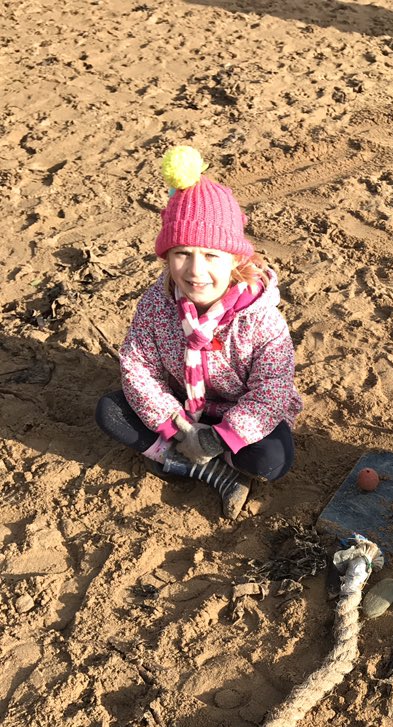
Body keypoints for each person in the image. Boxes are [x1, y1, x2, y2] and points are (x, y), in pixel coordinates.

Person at [96, 146, 302, 519]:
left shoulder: (261, 318)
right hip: (179, 409)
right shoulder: (156, 303)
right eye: (182, 253)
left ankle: (193, 458)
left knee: (271, 460)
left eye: (211, 256)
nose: (195, 271)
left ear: (236, 258)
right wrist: (175, 427)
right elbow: (137, 367)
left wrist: (212, 437)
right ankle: (202, 469)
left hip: (231, 415)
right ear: (166, 256)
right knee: (110, 411)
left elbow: (271, 391)